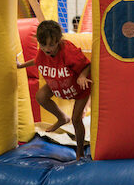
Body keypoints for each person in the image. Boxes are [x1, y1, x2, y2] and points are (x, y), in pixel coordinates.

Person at [16, 20, 91, 160]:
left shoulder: (68, 51)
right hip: (60, 83)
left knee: (76, 120)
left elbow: (87, 64)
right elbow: (37, 60)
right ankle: (62, 117)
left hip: (79, 88)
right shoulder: (43, 52)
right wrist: (21, 66)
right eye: (43, 45)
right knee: (41, 96)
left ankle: (79, 151)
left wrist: (82, 76)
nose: (47, 49)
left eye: (52, 44)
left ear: (59, 41)